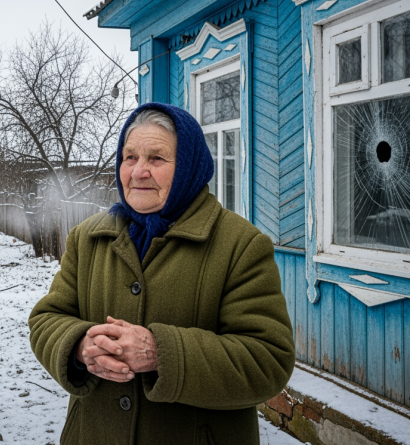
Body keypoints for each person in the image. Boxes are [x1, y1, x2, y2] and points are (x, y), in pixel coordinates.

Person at [28, 103, 295, 445]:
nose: (138, 171)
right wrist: (79, 345)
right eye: (129, 157)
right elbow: (47, 318)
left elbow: (268, 360)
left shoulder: (240, 246)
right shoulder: (88, 237)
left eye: (156, 158)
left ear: (187, 167)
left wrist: (160, 352)